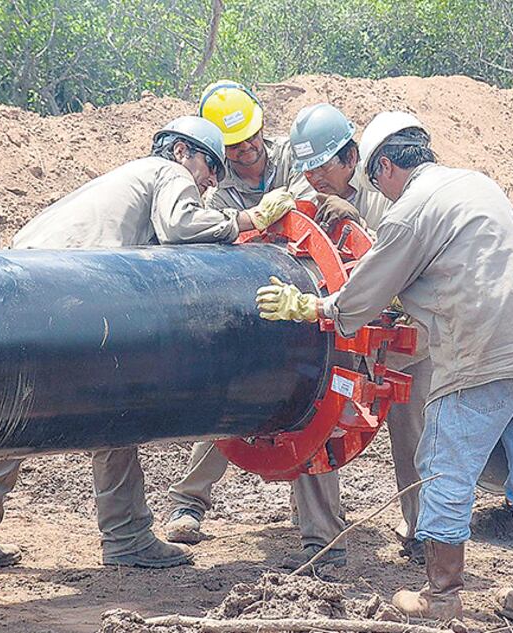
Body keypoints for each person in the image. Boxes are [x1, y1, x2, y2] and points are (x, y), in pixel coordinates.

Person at [254, 111, 513, 623]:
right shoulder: (478, 184)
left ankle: (441, 598)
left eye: (372, 176)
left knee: (444, 475)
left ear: (382, 166)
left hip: (479, 357)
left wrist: (312, 306)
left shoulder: (409, 211)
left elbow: (361, 300)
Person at [0, 115, 297, 575]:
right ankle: (127, 537)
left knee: (21, 415)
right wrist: (245, 219)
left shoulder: (119, 184)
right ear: (180, 152)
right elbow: (181, 226)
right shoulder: (166, 173)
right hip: (72, 294)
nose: (210, 182)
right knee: (117, 416)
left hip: (23, 287)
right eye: (209, 168)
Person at [163, 82, 346, 573]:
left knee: (311, 402)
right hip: (248, 299)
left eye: (253, 139)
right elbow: (203, 233)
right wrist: (245, 219)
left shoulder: (290, 156)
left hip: (307, 294)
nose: (249, 152)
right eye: (236, 147)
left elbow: (323, 194)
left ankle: (321, 536)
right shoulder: (214, 184)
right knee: (237, 400)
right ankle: (188, 503)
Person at [285, 102, 431, 563]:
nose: (315, 178)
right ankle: (321, 540)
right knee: (309, 423)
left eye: (323, 166)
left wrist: (353, 219)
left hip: (401, 339)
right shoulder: (300, 199)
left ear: (351, 157)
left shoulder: (387, 190)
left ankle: (425, 532)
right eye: (306, 169)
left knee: (417, 437)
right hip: (335, 339)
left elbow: (402, 261)